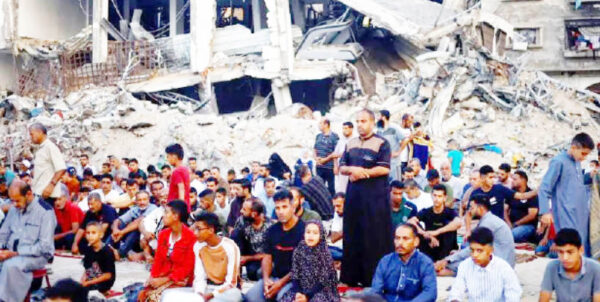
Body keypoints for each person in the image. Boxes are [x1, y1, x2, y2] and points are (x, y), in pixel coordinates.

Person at [339, 109, 393, 287]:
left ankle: (374, 279)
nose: (360, 125)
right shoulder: (350, 143)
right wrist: (352, 170)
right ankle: (350, 278)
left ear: (372, 122)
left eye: (363, 121)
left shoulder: (382, 143)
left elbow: (385, 169)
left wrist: (363, 173)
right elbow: (342, 167)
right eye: (357, 122)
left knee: (374, 237)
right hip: (354, 198)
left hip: (375, 199)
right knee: (352, 234)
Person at [160, 212, 243, 302]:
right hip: (207, 288)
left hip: (227, 291)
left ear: (211, 230)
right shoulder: (198, 246)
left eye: (199, 229)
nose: (195, 233)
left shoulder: (230, 247)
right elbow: (199, 277)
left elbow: (231, 283)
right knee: (167, 294)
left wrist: (211, 295)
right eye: (195, 229)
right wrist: (199, 294)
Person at [0, 180, 56, 302]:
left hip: (37, 256)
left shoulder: (45, 212)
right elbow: (3, 233)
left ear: (29, 194)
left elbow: (44, 246)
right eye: (12, 200)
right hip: (11, 252)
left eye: (17, 200)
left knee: (11, 265)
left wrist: (16, 253)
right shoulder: (14, 209)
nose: (14, 204)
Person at [539, 133, 595, 255]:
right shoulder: (558, 162)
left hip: (580, 214)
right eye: (583, 154)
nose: (584, 157)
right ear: (574, 148)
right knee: (570, 248)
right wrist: (545, 212)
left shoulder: (577, 162)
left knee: (582, 247)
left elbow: (575, 183)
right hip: (566, 214)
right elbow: (544, 187)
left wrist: (590, 177)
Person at [245, 190, 305, 302]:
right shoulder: (273, 230)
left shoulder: (304, 230)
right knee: (251, 297)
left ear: (293, 207)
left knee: (282, 297)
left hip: (295, 280)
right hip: (275, 276)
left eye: (284, 207)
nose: (281, 211)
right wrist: (266, 279)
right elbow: (267, 257)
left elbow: (300, 267)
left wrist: (280, 284)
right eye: (277, 208)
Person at [435, 194, 515, 276]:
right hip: (499, 259)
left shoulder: (488, 223)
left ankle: (451, 271)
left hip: (499, 266)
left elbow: (474, 248)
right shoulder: (489, 219)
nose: (470, 211)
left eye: (472, 207)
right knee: (460, 251)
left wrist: (447, 260)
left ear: (480, 208)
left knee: (450, 264)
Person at [138, 200, 195, 302]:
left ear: (175, 216)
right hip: (164, 275)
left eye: (166, 212)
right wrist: (152, 277)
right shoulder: (163, 234)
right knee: (142, 295)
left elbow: (188, 267)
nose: (163, 215)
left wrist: (164, 280)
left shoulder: (190, 237)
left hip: (180, 279)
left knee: (154, 298)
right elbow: (158, 260)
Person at [448, 227, 522, 302]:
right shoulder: (465, 266)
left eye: (479, 251)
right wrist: (454, 299)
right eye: (472, 250)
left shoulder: (503, 268)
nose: (475, 255)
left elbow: (513, 295)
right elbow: (456, 290)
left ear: (491, 250)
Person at [370, 224, 437, 302]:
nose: (400, 243)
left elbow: (430, 293)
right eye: (397, 238)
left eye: (405, 238)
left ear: (416, 241)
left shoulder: (425, 263)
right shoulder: (386, 261)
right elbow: (376, 290)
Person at [280, 220, 340, 302]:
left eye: (315, 233)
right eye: (308, 232)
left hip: (321, 290)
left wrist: (307, 297)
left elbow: (323, 282)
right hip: (302, 288)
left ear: (321, 235)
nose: (310, 236)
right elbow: (295, 274)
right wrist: (298, 293)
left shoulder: (324, 253)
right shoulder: (299, 249)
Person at [539, 228, 600, 302]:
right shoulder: (552, 267)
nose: (565, 258)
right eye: (560, 252)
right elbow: (544, 298)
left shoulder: (595, 268)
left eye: (570, 252)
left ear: (581, 250)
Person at [408, 184, 461, 261]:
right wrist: (426, 234)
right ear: (432, 196)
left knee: (449, 225)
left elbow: (458, 223)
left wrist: (436, 232)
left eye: (439, 196)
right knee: (416, 227)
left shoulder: (450, 212)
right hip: (430, 245)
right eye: (435, 196)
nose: (436, 199)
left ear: (444, 198)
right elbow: (411, 221)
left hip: (446, 247)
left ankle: (443, 260)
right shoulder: (426, 211)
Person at [470, 165, 537, 220]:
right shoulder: (475, 193)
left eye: (493, 177)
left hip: (497, 224)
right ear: (482, 178)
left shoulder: (499, 189)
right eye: (490, 178)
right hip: (481, 224)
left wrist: (539, 190)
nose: (493, 180)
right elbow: (470, 213)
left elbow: (522, 196)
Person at [231, 199, 273, 281]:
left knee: (257, 273)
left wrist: (247, 258)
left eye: (244, 209)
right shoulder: (242, 221)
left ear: (254, 214)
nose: (241, 211)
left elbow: (269, 254)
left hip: (265, 259)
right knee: (236, 233)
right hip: (249, 254)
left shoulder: (270, 227)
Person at [110, 191, 157, 260]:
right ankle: (106, 248)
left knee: (136, 229)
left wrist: (121, 232)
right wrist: (115, 230)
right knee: (119, 225)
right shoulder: (135, 209)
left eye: (144, 199)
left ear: (148, 200)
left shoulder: (153, 208)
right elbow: (118, 220)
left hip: (147, 237)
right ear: (136, 201)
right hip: (135, 239)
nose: (142, 202)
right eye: (139, 200)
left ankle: (120, 253)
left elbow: (139, 221)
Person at [29, 123, 67, 205]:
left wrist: (51, 186)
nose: (31, 137)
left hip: (46, 194)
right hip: (38, 193)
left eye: (32, 134)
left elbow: (61, 168)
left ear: (39, 132)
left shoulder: (50, 147)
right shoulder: (40, 149)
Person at [81, 222, 116, 296]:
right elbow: (87, 269)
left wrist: (88, 283)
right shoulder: (89, 249)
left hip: (105, 280)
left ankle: (104, 291)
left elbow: (108, 275)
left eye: (93, 233)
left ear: (101, 235)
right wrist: (82, 281)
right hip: (94, 274)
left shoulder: (106, 251)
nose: (90, 236)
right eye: (88, 233)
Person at [506, 170, 539, 243]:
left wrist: (516, 224)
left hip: (528, 226)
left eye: (515, 179)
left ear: (523, 180)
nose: (512, 181)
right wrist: (509, 223)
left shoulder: (532, 195)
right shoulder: (512, 193)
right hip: (511, 224)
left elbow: (532, 215)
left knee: (511, 235)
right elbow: (505, 210)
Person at [377, 110, 404, 181]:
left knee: (396, 185)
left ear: (383, 117)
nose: (377, 118)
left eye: (379, 116)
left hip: (394, 163)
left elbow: (405, 139)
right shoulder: (379, 130)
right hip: (383, 164)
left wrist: (398, 152)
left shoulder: (394, 128)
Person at [314, 118, 340, 196]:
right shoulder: (318, 136)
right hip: (319, 166)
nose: (319, 126)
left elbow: (336, 151)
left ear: (326, 125)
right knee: (319, 187)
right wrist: (316, 158)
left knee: (331, 188)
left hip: (329, 167)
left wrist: (325, 160)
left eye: (320, 123)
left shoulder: (334, 136)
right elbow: (314, 148)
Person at [54, 186, 84, 250]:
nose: (57, 202)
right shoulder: (56, 209)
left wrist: (57, 236)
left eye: (59, 199)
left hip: (79, 236)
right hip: (65, 232)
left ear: (65, 198)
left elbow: (75, 230)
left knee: (69, 237)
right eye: (55, 200)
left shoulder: (73, 208)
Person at [165, 144, 191, 210]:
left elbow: (181, 189)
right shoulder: (185, 169)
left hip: (176, 209)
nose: (167, 159)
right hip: (186, 206)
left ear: (174, 156)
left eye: (168, 156)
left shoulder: (177, 171)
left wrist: (180, 209)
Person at [333, 121, 354, 193]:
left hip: (351, 168)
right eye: (343, 128)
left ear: (351, 129)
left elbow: (350, 153)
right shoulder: (340, 141)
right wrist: (335, 166)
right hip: (341, 169)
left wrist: (340, 154)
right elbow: (335, 154)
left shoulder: (355, 140)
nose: (344, 130)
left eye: (346, 128)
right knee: (340, 190)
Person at [329, 193, 344, 261]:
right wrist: (348, 227)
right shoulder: (337, 213)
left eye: (338, 206)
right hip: (338, 249)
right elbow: (333, 238)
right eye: (334, 206)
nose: (336, 209)